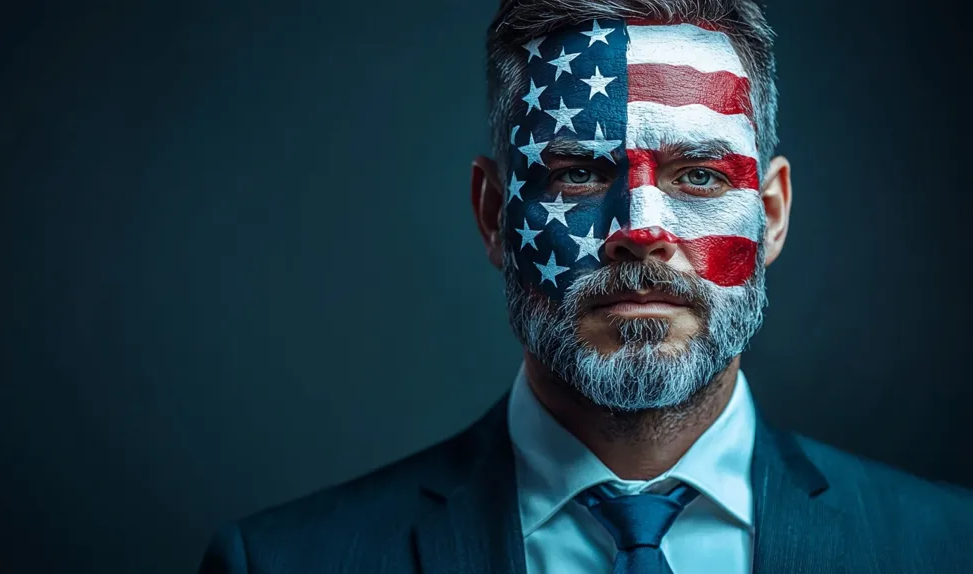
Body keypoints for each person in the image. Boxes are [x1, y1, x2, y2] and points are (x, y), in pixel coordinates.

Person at [199, 1, 973, 572]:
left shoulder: (948, 548)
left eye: (700, 175)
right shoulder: (280, 563)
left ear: (770, 215)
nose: (640, 227)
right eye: (577, 173)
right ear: (495, 215)